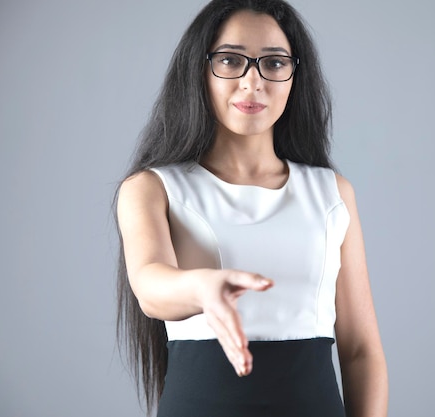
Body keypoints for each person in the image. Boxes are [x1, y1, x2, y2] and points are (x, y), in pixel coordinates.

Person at [115, 0, 388, 415]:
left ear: (295, 75)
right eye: (230, 60)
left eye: (274, 64)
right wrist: (202, 288)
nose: (252, 81)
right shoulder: (152, 188)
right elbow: (150, 285)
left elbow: (360, 351)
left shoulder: (332, 193)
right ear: (200, 70)